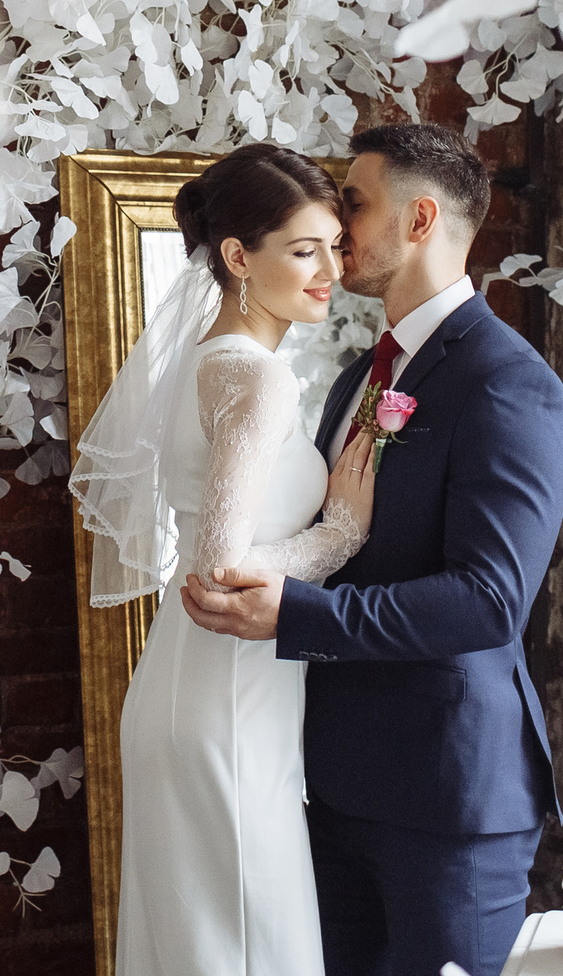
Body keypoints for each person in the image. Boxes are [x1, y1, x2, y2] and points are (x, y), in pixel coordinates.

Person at [183, 122, 563, 976]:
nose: (336, 221)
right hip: (333, 786)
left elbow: (487, 599)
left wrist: (295, 614)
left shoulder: (508, 383)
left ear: (422, 218)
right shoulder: (355, 375)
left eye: (354, 202)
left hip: (448, 800)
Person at [70, 142, 378, 976]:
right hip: (226, 709)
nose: (329, 270)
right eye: (304, 250)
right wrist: (341, 532)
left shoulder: (211, 361)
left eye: (334, 246)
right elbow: (220, 575)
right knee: (253, 949)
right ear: (239, 256)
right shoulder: (256, 378)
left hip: (203, 692)